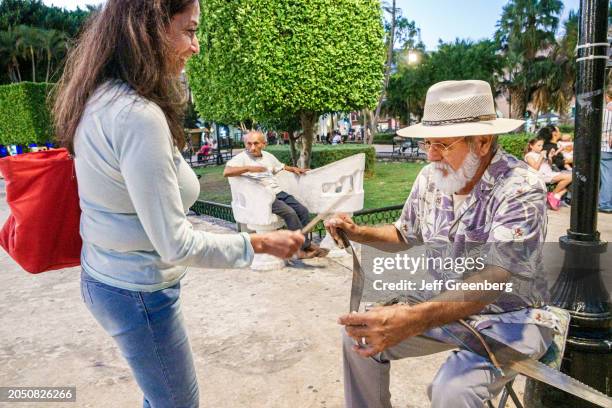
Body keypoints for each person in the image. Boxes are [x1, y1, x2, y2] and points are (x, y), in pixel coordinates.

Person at [51, 1, 304, 406]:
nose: (197, 45)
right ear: (149, 27)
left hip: (106, 277)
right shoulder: (138, 115)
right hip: (139, 292)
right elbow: (176, 244)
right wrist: (258, 244)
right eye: (189, 30)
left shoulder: (98, 96)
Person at [325, 80, 556, 408]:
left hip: (513, 315)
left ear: (483, 141)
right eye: (427, 143)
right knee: (360, 337)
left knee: (453, 389)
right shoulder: (430, 178)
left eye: (443, 145)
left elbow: (496, 278)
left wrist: (414, 318)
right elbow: (405, 234)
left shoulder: (520, 188)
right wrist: (357, 232)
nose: (432, 155)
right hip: (443, 305)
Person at [224, 131, 329, 259]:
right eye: (249, 143)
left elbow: (281, 166)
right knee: (290, 213)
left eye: (256, 143)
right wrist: (249, 168)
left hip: (277, 192)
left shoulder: (268, 156)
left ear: (264, 144)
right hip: (260, 197)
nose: (252, 147)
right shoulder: (240, 158)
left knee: (302, 211)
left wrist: (295, 169)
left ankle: (303, 246)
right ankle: (299, 249)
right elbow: (227, 172)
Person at [524, 137, 572, 210]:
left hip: (549, 173)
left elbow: (548, 166)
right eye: (538, 145)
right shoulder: (529, 155)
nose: (541, 147)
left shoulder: (540, 154)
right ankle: (553, 195)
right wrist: (541, 157)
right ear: (531, 146)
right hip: (541, 175)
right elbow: (535, 168)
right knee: (570, 177)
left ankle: (556, 196)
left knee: (573, 180)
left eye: (542, 145)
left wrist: (550, 157)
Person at [600, 87, 612, 213]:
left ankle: (605, 204)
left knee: (606, 176)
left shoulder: (603, 113)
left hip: (604, 147)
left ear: (607, 97)